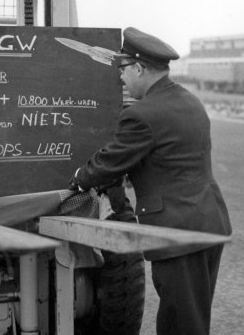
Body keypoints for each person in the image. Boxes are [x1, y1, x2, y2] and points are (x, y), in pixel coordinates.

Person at [69, 27, 232, 335]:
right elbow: (169, 158)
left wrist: (79, 179)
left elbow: (110, 161)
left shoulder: (142, 115)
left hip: (177, 233)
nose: (121, 78)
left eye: (123, 69)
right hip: (209, 223)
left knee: (179, 326)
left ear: (140, 68)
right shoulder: (190, 101)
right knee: (194, 319)